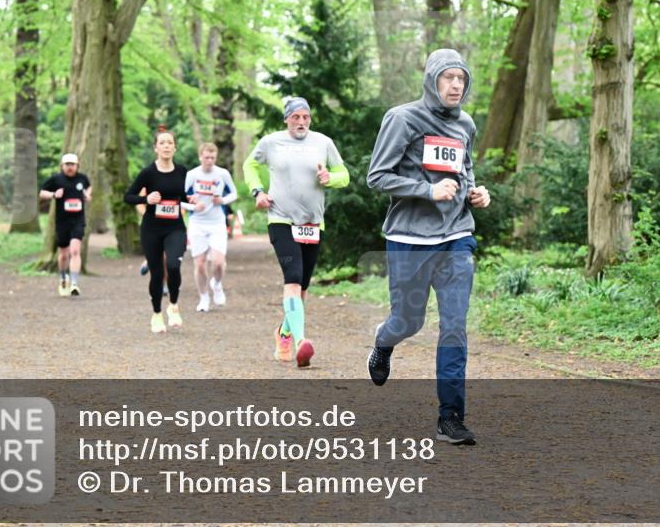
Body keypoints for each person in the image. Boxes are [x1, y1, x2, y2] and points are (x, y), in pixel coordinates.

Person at [366, 49, 491, 445]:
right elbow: (377, 176)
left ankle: (450, 417)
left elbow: (464, 168)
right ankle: (385, 341)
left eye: (462, 79)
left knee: (454, 325)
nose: (456, 85)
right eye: (448, 78)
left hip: (456, 236)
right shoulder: (403, 118)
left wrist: (475, 192)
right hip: (408, 239)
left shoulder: (465, 124)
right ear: (432, 80)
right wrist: (427, 190)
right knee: (409, 322)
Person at [243, 97, 349, 368]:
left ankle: (284, 333)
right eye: (296, 117)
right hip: (281, 219)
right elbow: (249, 166)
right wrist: (258, 191)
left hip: (313, 223)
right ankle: (302, 341)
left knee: (301, 288)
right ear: (286, 119)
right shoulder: (271, 142)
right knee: (291, 278)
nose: (301, 122)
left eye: (305, 117)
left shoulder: (323, 142)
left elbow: (344, 174)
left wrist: (330, 178)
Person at [124, 128, 190, 334]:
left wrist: (193, 200)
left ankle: (173, 305)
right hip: (152, 229)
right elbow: (128, 196)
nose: (166, 146)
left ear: (175, 147)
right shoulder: (148, 173)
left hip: (175, 228)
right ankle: (156, 314)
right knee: (157, 273)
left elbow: (187, 197)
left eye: (170, 143)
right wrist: (146, 199)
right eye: (162, 143)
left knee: (173, 265)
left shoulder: (183, 172)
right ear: (155, 148)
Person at [185, 142, 237, 312]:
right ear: (200, 157)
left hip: (217, 223)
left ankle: (217, 284)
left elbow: (234, 193)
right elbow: (180, 198)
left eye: (212, 158)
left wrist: (222, 200)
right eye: (206, 157)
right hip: (197, 223)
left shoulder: (222, 173)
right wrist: (193, 206)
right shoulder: (192, 175)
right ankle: (203, 298)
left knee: (218, 262)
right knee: (199, 264)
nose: (209, 161)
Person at [39, 153, 92, 297]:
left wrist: (87, 195)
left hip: (78, 221)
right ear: (62, 166)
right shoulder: (56, 179)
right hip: (62, 221)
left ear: (77, 166)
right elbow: (42, 192)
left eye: (72, 165)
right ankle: (63, 277)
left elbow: (88, 189)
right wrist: (54, 195)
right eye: (67, 164)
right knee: (63, 255)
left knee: (75, 251)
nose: (69, 167)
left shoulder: (82, 179)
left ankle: (74, 283)